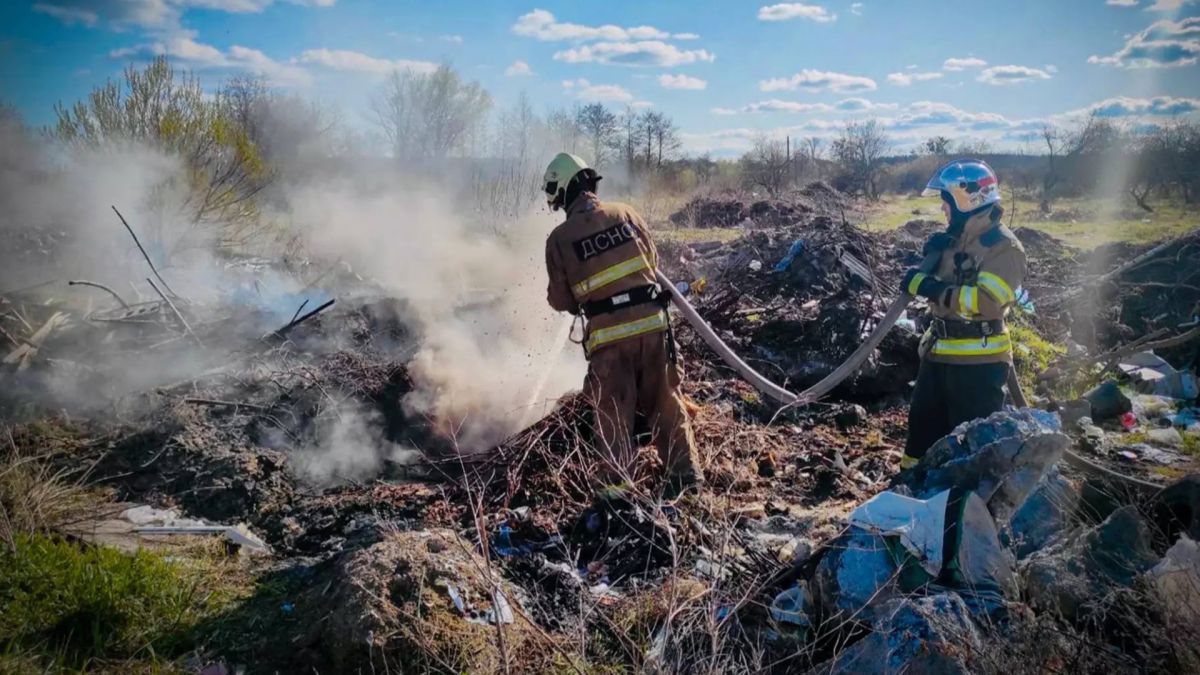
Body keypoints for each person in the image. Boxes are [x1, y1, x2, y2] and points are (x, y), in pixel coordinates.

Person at [540, 152, 703, 496]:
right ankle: (687, 479)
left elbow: (562, 300)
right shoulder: (627, 213)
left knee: (613, 411)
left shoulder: (559, 239)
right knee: (666, 401)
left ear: (565, 189)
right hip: (655, 327)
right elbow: (652, 261)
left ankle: (617, 496)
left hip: (610, 341)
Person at [900, 159, 1027, 469]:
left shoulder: (1004, 248)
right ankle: (910, 496)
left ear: (966, 201)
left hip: (978, 368)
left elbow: (988, 302)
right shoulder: (955, 239)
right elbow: (947, 278)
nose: (943, 210)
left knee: (972, 451)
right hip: (938, 357)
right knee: (920, 439)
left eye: (947, 203)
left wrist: (932, 288)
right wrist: (933, 255)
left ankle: (964, 510)